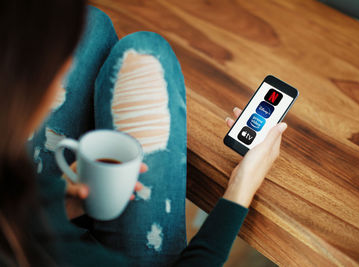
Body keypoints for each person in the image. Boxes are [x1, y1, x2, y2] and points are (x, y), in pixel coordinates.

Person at [0, 1, 287, 266]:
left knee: (92, 24)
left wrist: (56, 202)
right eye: (54, 72)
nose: (62, 73)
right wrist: (240, 188)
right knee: (148, 49)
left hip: (33, 218)